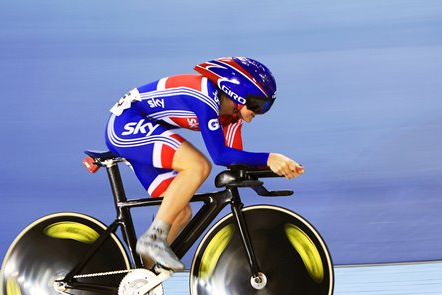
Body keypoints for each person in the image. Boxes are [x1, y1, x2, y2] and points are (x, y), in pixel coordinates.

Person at [105, 56, 304, 272]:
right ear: (235, 93)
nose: (255, 115)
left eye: (265, 107)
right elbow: (220, 155)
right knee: (198, 166)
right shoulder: (205, 96)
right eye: (256, 105)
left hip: (145, 130)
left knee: (180, 213)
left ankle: (136, 279)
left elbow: (234, 159)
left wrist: (276, 168)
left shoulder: (231, 117)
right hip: (126, 123)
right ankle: (153, 238)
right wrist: (269, 158)